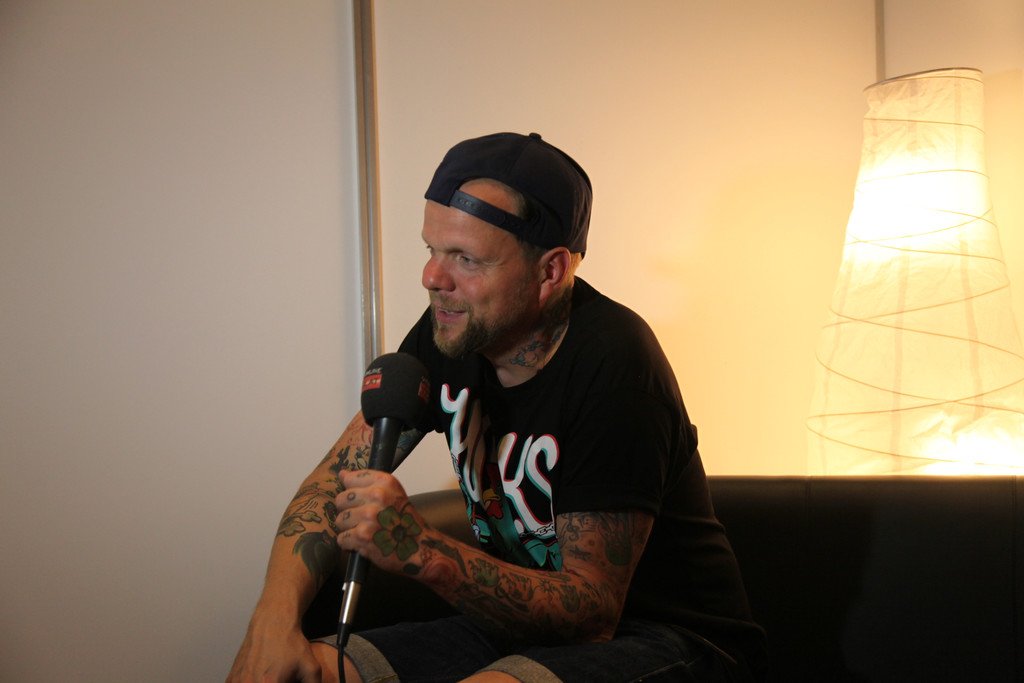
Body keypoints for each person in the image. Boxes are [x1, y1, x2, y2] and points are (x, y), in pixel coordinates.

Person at [228, 132, 768, 682]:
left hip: (668, 637)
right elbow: (330, 484)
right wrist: (271, 623)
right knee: (295, 673)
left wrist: (424, 551)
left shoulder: (615, 363)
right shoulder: (451, 331)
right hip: (512, 625)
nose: (432, 278)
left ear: (550, 271)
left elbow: (593, 614)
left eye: (466, 258)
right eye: (432, 250)